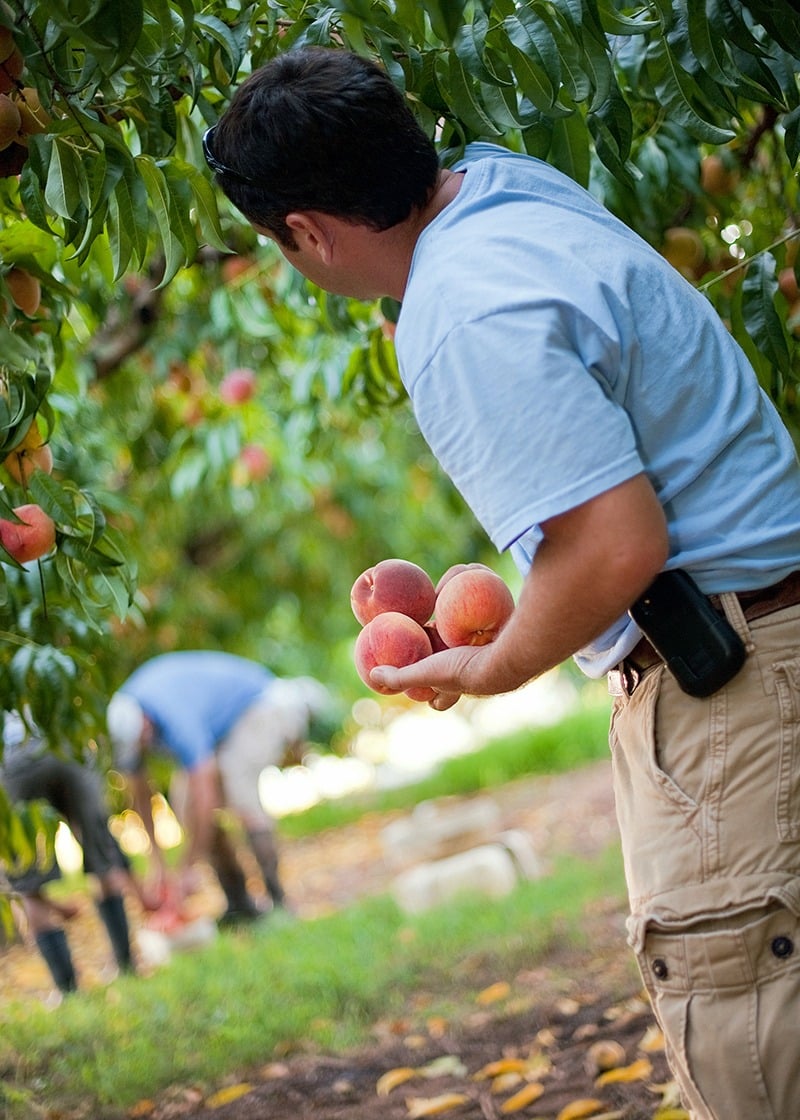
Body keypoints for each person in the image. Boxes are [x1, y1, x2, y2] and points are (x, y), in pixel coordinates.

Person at [202, 47, 800, 1120]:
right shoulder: (510, 193)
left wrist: (493, 661)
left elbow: (614, 547)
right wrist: (517, 597)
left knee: (754, 1058)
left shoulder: (456, 308)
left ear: (303, 232)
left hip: (737, 690)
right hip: (765, 634)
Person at [107, 650, 333, 926]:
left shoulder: (171, 713)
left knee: (238, 789)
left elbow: (206, 792)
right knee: (184, 806)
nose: (142, 745)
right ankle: (239, 904)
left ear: (145, 721)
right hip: (222, 727)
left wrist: (189, 866)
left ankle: (279, 903)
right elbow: (139, 793)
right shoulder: (126, 720)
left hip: (259, 705)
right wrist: (158, 864)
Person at [1, 711, 144, 995]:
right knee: (102, 861)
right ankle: (126, 965)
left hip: (14, 758)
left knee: (29, 883)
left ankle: (68, 990)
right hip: (64, 745)